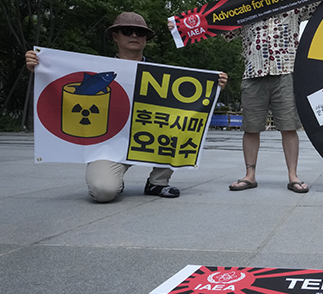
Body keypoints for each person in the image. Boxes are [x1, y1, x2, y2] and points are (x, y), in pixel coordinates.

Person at [26, 12, 228, 203]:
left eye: (140, 32)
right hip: (109, 143)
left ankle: (158, 182)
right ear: (115, 36)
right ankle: (114, 180)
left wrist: (212, 85)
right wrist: (41, 66)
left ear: (146, 39)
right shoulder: (95, 70)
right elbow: (63, 84)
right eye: (127, 31)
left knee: (180, 127)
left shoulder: (163, 75)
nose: (134, 35)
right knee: (103, 192)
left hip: (149, 139)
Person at [225, 0, 323, 194]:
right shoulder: (244, 8)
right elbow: (220, 29)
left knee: (289, 126)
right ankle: (249, 175)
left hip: (287, 71)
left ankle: (293, 175)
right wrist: (180, 27)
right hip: (253, 73)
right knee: (251, 127)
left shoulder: (292, 2)